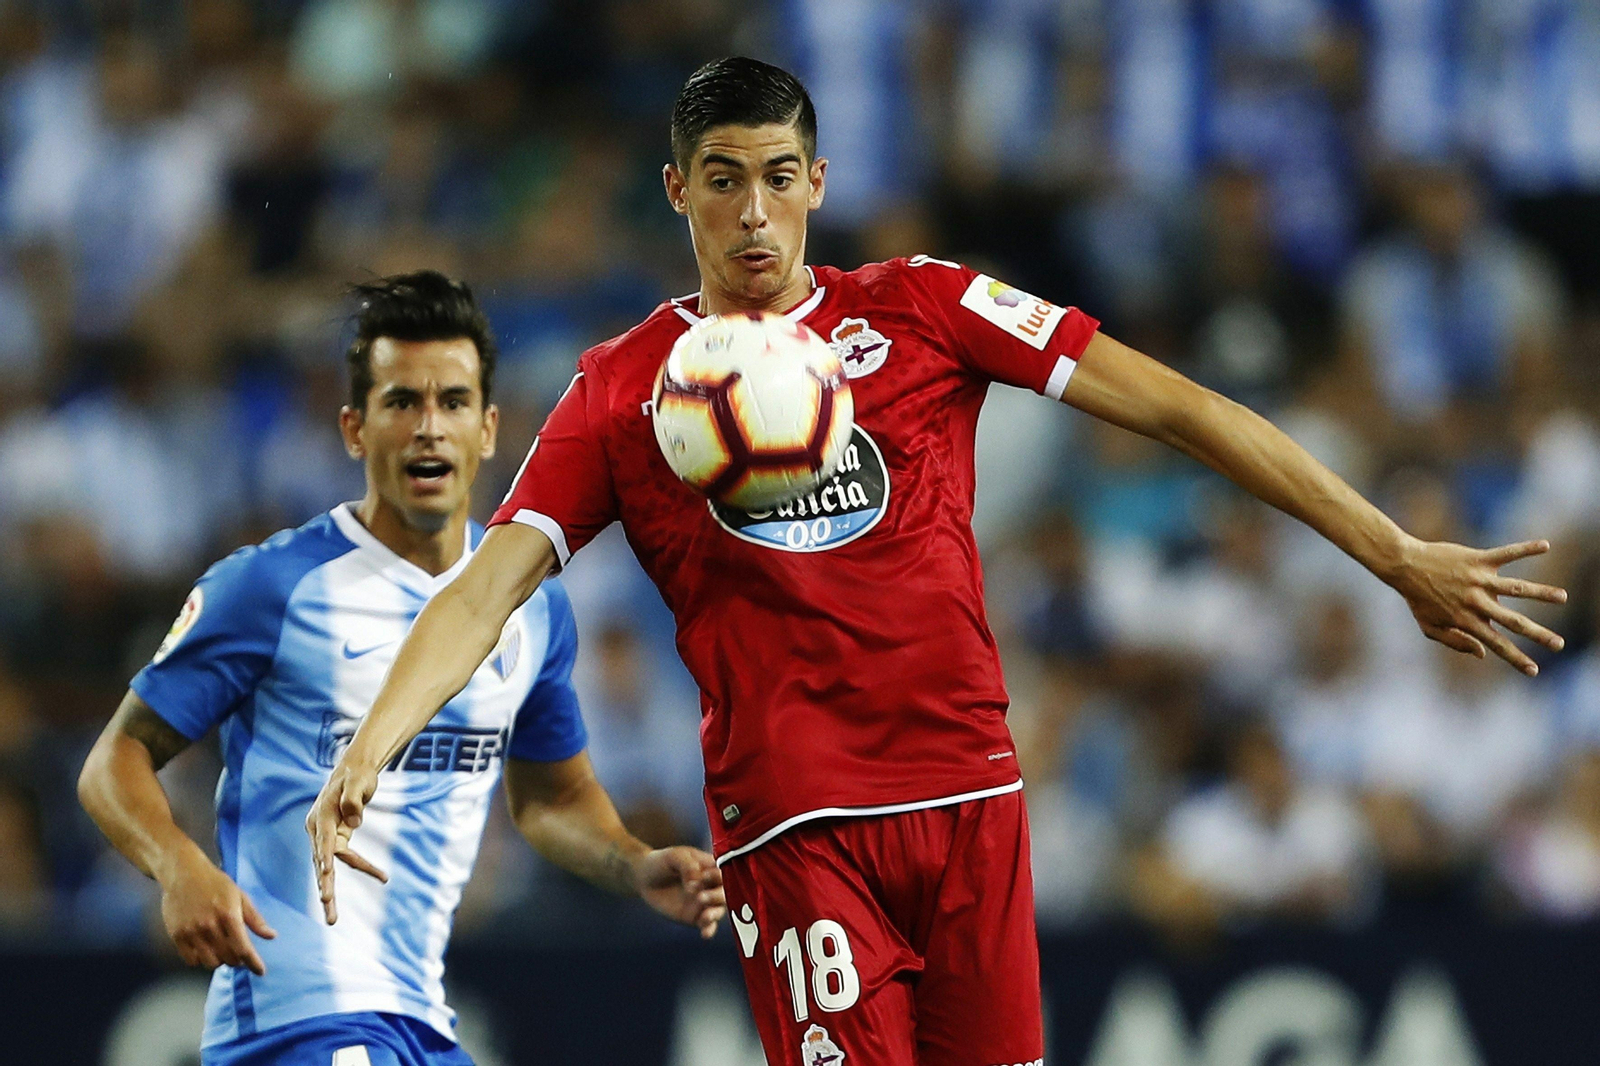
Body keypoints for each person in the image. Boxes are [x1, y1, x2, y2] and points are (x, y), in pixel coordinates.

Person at [308, 61, 1567, 1066]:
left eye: (780, 177)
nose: (754, 211)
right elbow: (489, 578)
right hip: (799, 821)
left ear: (819, 181)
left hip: (972, 794)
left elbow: (1184, 408)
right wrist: (371, 745)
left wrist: (1391, 551)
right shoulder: (622, 390)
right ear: (675, 189)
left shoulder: (923, 309)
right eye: (723, 179)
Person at [78, 271, 725, 1066]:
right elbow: (114, 759)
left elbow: (550, 799)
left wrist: (632, 863)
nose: (429, 428)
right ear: (354, 428)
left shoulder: (532, 609)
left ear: (489, 429)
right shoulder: (273, 587)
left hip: (421, 1024)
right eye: (401, 402)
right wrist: (178, 867)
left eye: (452, 403)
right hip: (291, 1023)